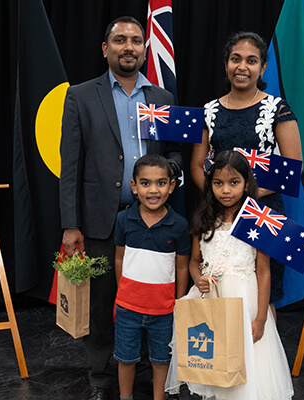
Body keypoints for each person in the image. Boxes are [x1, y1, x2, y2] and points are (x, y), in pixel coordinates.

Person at [59, 16, 183, 400]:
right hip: (99, 222)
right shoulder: (81, 95)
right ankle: (100, 378)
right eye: (119, 40)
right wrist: (70, 224)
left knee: (152, 299)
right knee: (101, 305)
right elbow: (70, 166)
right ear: (105, 48)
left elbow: (175, 152)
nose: (128, 47)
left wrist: (168, 172)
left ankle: (144, 369)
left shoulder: (162, 99)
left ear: (145, 48)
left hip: (154, 222)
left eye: (135, 40)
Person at [166, 150, 294, 400]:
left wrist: (260, 318)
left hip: (245, 301)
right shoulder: (204, 219)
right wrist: (197, 279)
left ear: (247, 183)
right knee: (215, 359)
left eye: (234, 183)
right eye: (218, 183)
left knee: (245, 360)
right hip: (212, 298)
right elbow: (194, 262)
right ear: (210, 184)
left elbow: (264, 272)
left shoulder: (256, 220)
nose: (226, 190)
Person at [190, 32, 303, 313]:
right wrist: (220, 197)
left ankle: (260, 354)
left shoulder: (278, 109)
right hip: (218, 215)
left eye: (251, 61)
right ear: (226, 64)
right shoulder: (208, 111)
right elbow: (196, 165)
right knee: (218, 287)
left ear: (262, 67)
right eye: (235, 59)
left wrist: (245, 196)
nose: (242, 66)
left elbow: (292, 169)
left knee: (263, 295)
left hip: (262, 213)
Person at [114, 154, 190, 400]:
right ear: (134, 187)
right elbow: (119, 259)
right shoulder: (124, 220)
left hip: (164, 311)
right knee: (125, 359)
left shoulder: (179, 225)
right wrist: (121, 294)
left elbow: (181, 267)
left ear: (172, 185)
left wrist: (178, 303)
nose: (153, 190)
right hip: (127, 308)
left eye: (160, 182)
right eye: (145, 183)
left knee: (161, 359)